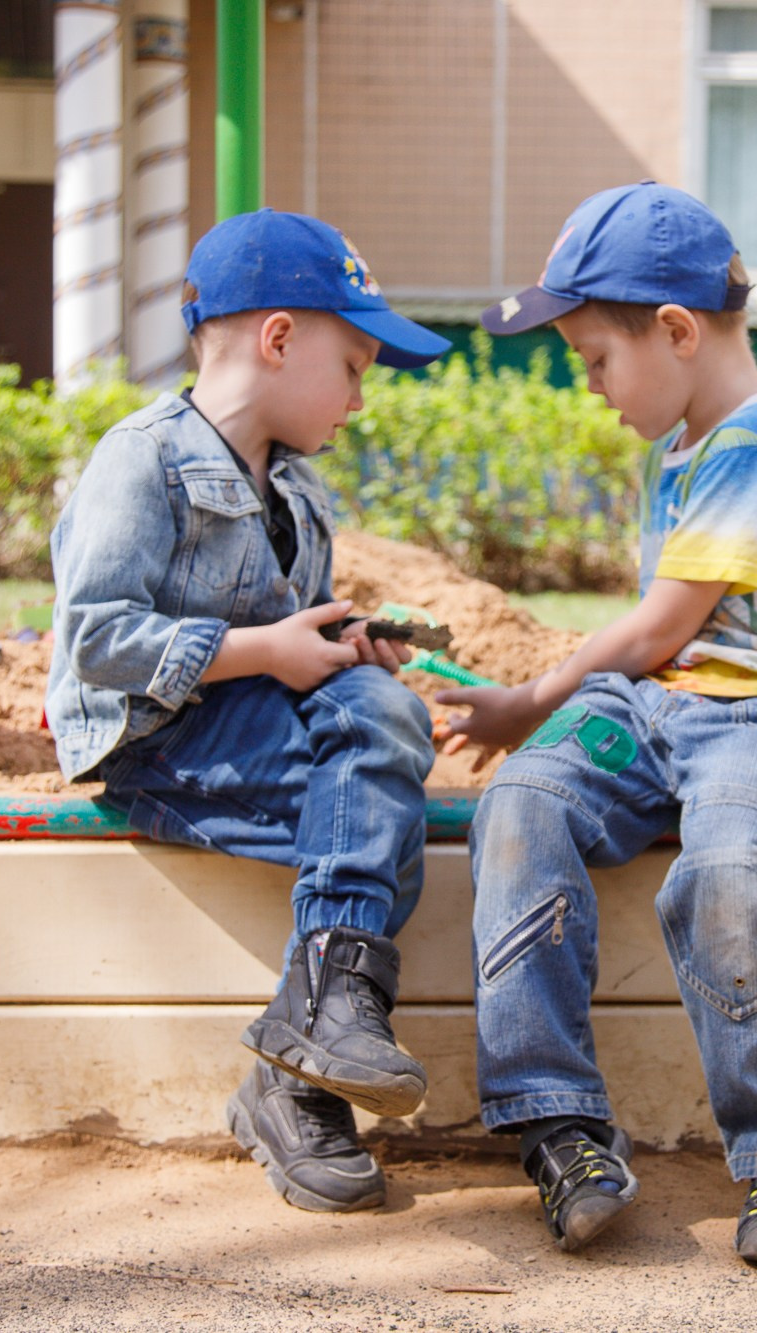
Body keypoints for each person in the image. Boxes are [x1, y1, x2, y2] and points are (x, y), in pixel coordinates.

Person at [448, 182, 757, 1270]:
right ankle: (559, 1126)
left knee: (728, 871)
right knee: (519, 804)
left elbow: (661, 628)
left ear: (678, 331)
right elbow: (672, 647)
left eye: (594, 359)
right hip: (660, 709)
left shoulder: (749, 440)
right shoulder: (687, 442)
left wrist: (532, 697)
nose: (590, 387)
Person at [45, 210, 452, 1214]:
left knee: (377, 755)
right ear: (277, 339)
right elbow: (94, 633)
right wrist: (269, 652)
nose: (360, 398)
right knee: (378, 804)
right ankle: (302, 1060)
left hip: (243, 725)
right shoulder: (139, 457)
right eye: (353, 366)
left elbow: (287, 643)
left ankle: (309, 1040)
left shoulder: (298, 494)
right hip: (155, 739)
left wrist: (339, 641)